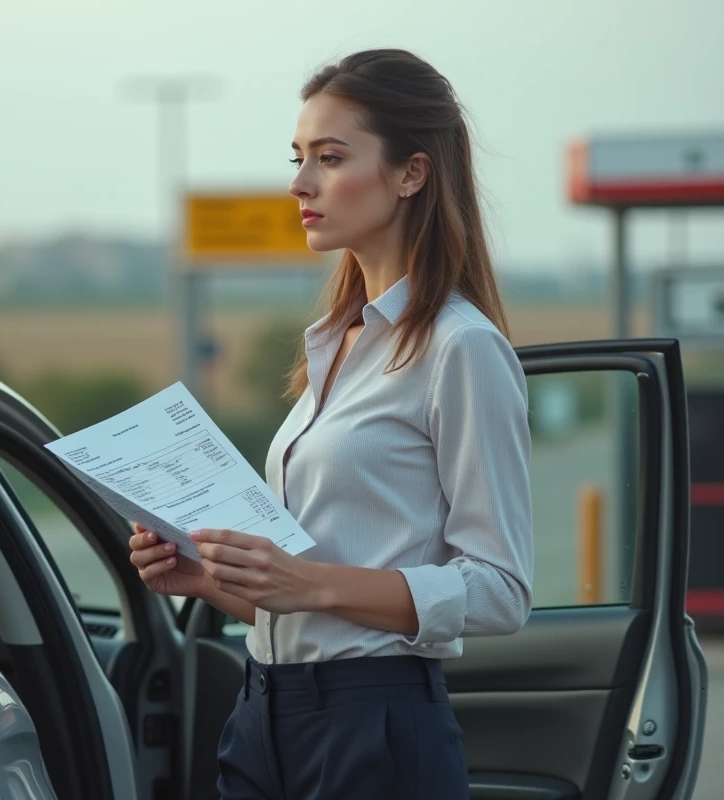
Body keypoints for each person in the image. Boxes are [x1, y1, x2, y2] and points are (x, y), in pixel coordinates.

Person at [129, 48, 532, 799]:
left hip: (376, 722)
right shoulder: (333, 342)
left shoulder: (462, 347)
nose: (299, 183)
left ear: (412, 174)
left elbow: (501, 589)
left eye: (330, 157)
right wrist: (211, 580)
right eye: (298, 157)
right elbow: (302, 599)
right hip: (263, 709)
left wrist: (308, 582)